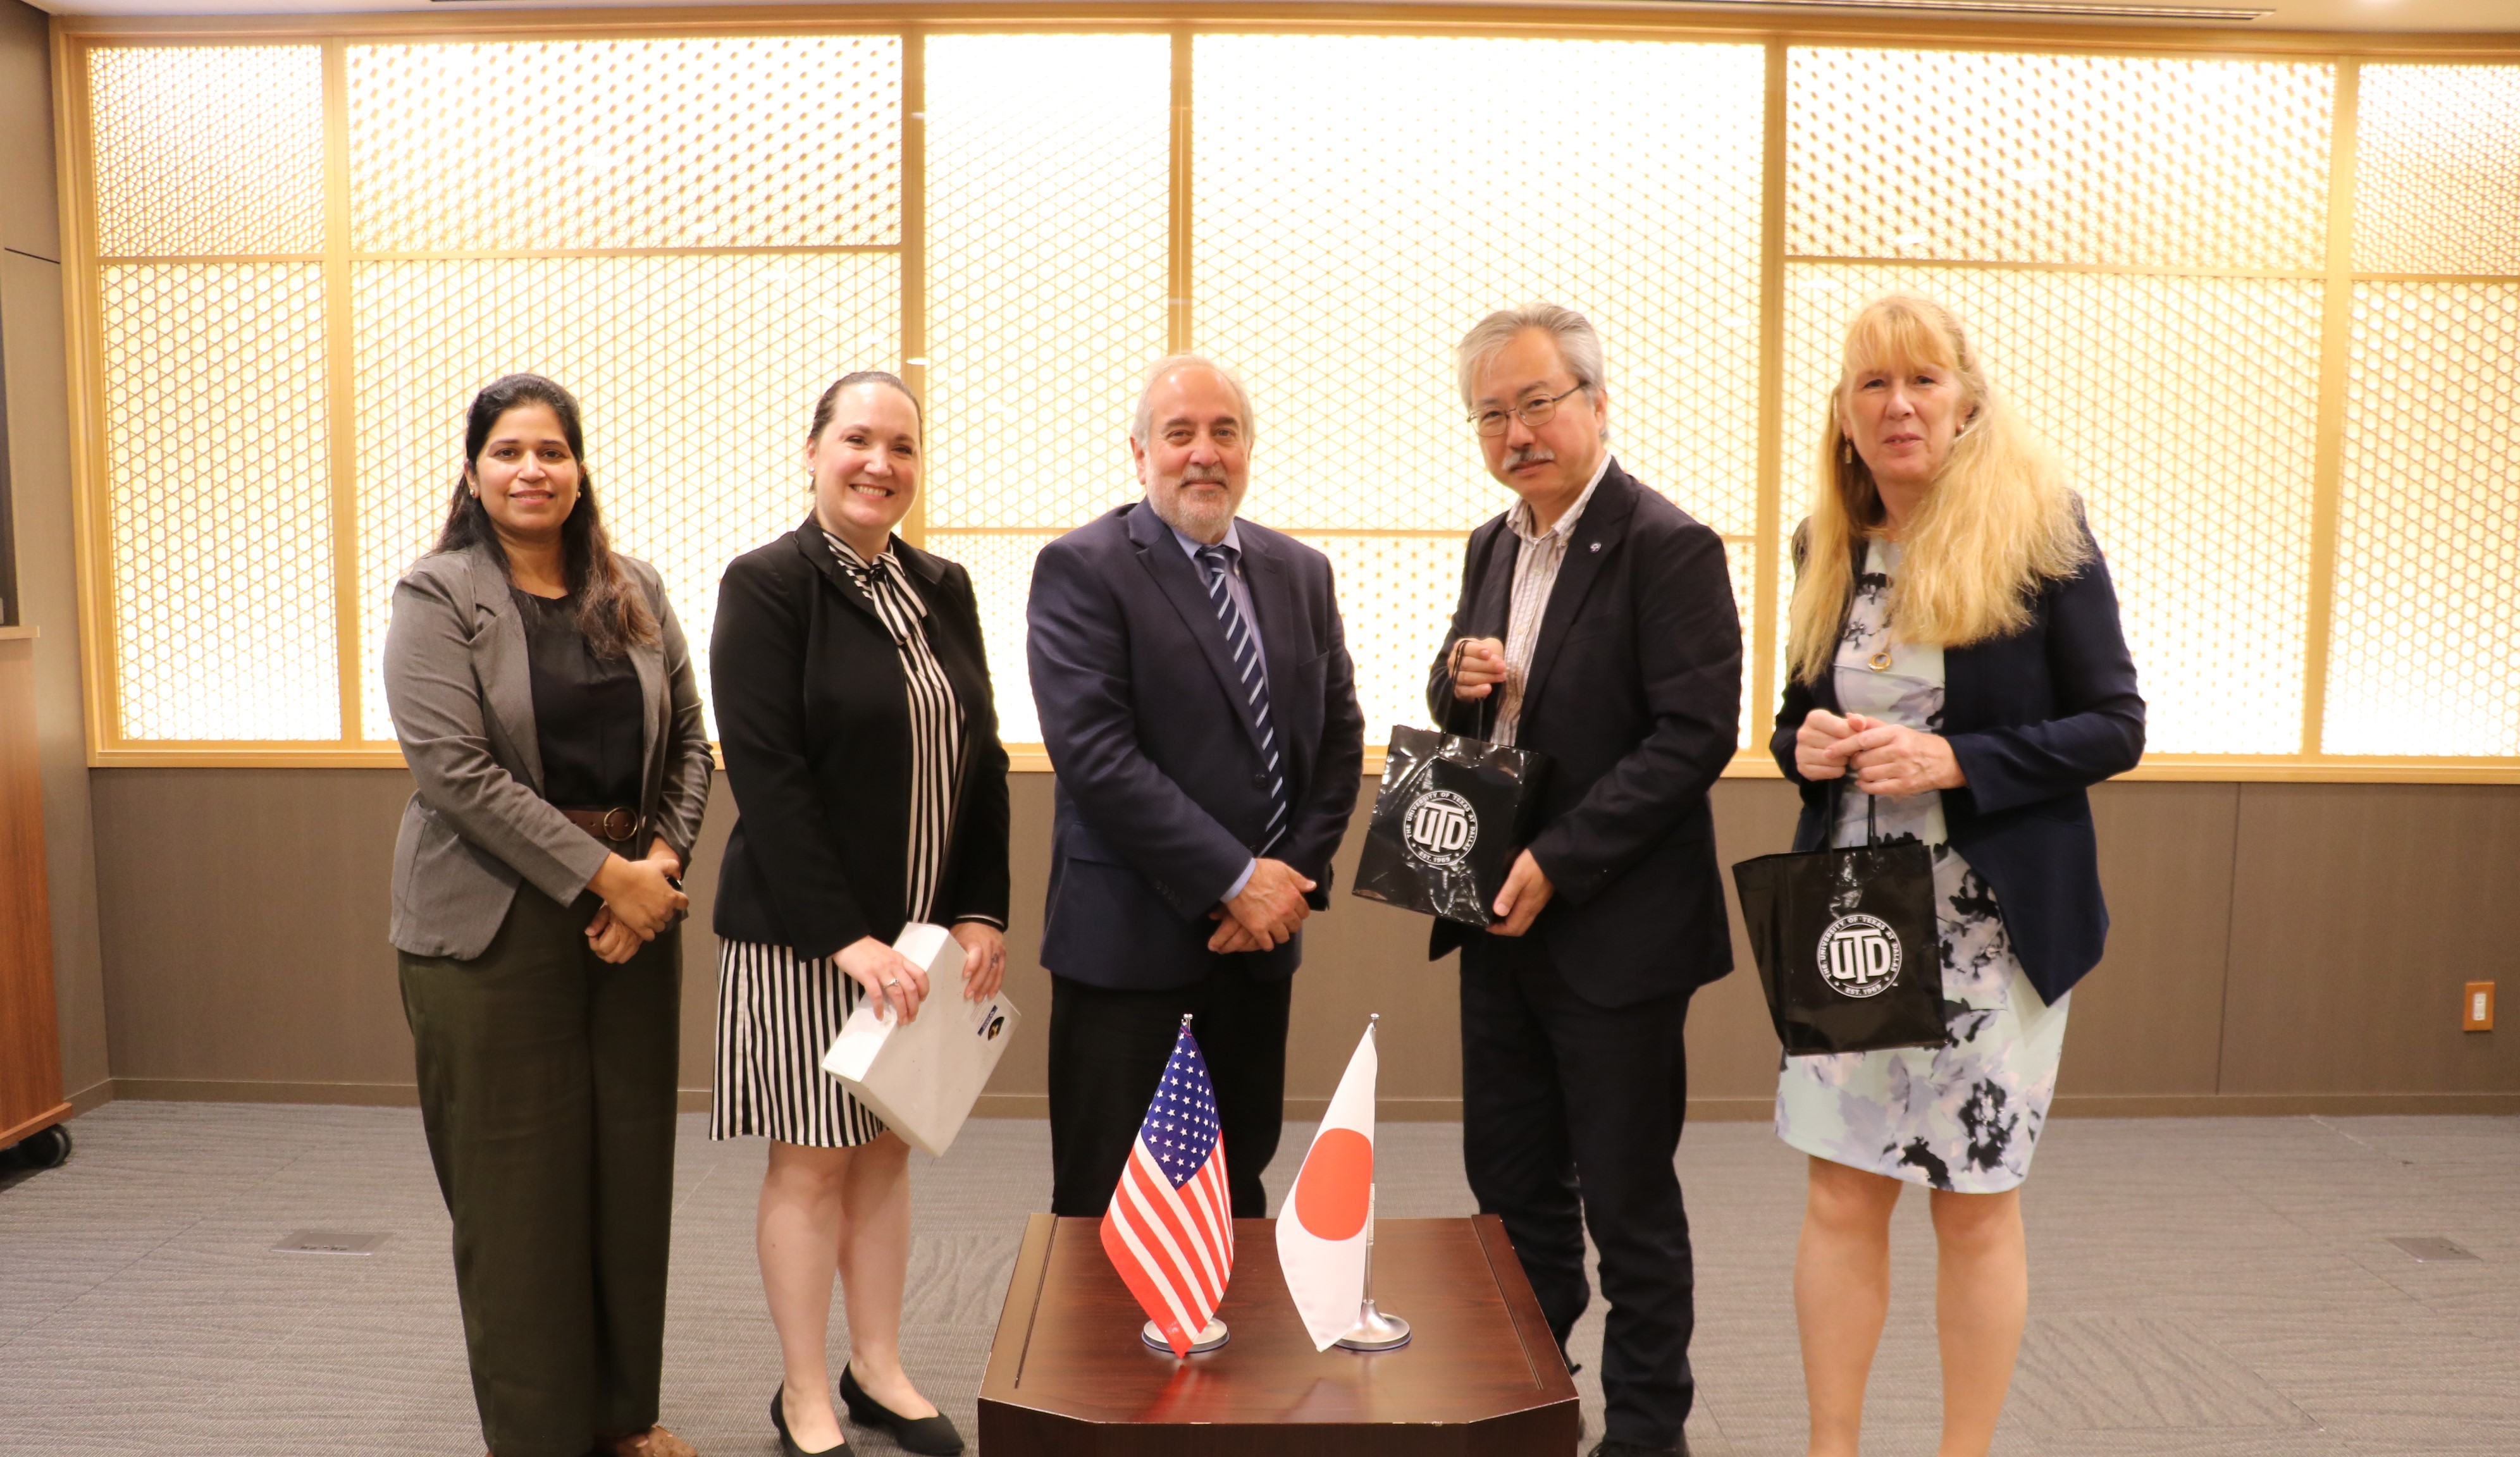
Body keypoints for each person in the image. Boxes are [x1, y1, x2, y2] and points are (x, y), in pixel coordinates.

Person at [1772, 293, 2143, 1457]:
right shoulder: (1826, 543)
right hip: (1856, 918)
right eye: (1873, 384)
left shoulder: (2041, 534)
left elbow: (2116, 725)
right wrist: (1804, 744)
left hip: (1992, 924)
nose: (1899, 406)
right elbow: (1794, 714)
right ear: (1844, 414)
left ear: (1967, 402)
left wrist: (1958, 761)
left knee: (1973, 1200)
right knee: (1842, 1190)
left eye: (1923, 380)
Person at [1426, 305, 1741, 1457]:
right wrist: (1455, 682)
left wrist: (1558, 859)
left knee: (1626, 1200)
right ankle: (1527, 1406)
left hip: (1617, 930)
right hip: (1497, 925)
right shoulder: (1492, 544)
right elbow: (1468, 713)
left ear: (1598, 405)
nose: (1516, 433)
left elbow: (1694, 735)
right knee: (1510, 1190)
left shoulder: (1669, 545)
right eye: (1491, 414)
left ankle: (1648, 1434)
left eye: (1538, 404)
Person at [384, 372, 711, 1457]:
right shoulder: (438, 594)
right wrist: (604, 877)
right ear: (474, 473)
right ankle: (539, 1436)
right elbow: (454, 772)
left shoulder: (636, 587)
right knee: (517, 1197)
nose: (533, 470)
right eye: (509, 452)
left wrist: (658, 865)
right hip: (490, 927)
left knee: (627, 1177)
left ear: (578, 467)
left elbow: (692, 744)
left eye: (552, 451)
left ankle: (621, 1416)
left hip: (634, 920)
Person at [709, 371, 1010, 1457]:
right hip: (810, 939)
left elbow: (981, 756)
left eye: (903, 446)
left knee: (885, 1153)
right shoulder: (767, 584)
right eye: (857, 440)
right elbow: (769, 776)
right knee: (813, 1162)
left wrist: (979, 909)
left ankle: (877, 1367)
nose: (881, 463)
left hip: (921, 939)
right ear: (814, 451)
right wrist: (847, 938)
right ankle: (804, 1393)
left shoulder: (942, 585)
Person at [1026, 354, 1365, 1220]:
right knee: (1112, 1207)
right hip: (1129, 950)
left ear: (1249, 449)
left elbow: (1337, 745)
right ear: (1141, 453)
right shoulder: (1084, 567)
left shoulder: (1302, 572)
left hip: (1258, 951)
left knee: (1234, 1192)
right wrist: (1234, 878)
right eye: (1180, 434)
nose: (1204, 453)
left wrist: (1284, 883)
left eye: (1225, 432)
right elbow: (1097, 756)